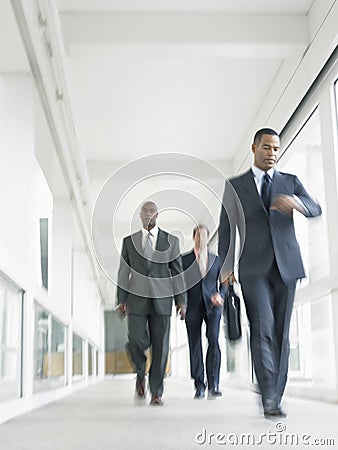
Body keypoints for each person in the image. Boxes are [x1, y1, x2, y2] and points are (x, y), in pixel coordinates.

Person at [218, 128, 322, 418]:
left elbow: (316, 208)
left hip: (287, 267)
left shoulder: (290, 182)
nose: (272, 153)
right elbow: (226, 230)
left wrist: (297, 203)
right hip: (252, 269)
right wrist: (226, 269)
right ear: (254, 148)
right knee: (262, 329)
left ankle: (275, 390)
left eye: (276, 148)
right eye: (266, 147)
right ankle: (269, 399)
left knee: (281, 333)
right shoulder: (235, 186)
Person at [116, 201, 187, 406]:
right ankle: (140, 371)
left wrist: (181, 300)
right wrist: (121, 299)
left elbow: (178, 272)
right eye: (145, 211)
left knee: (161, 347)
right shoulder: (129, 242)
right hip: (135, 300)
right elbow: (123, 272)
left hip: (162, 300)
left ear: (157, 214)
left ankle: (156, 392)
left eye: (152, 211)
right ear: (140, 215)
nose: (148, 214)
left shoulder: (171, 241)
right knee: (136, 339)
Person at [182, 225, 225, 400]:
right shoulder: (184, 260)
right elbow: (178, 283)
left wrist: (220, 295)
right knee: (195, 345)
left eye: (205, 236)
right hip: (192, 306)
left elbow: (225, 282)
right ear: (194, 238)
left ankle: (214, 384)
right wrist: (181, 303)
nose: (203, 239)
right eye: (199, 236)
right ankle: (199, 384)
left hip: (213, 306)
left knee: (213, 340)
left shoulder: (216, 260)